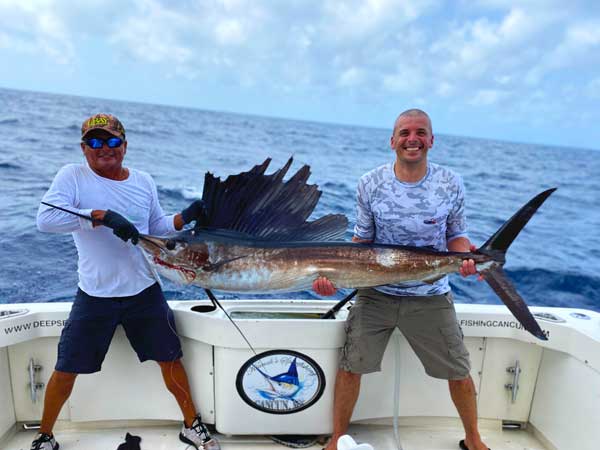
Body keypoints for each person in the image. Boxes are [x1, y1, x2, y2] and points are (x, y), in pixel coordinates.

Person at [33, 114, 217, 450]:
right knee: (66, 367)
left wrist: (186, 216)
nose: (105, 148)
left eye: (113, 141)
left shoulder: (143, 181)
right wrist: (100, 218)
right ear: (84, 148)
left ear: (125, 146)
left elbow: (157, 227)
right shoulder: (73, 176)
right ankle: (45, 435)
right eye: (96, 142)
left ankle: (192, 426)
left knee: (171, 359)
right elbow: (45, 219)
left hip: (143, 291)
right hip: (94, 294)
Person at [314, 109, 490, 450]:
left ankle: (473, 439)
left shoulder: (451, 182)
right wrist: (332, 274)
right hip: (376, 293)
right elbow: (362, 242)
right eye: (406, 132)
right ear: (393, 141)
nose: (413, 139)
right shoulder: (370, 183)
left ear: (432, 140)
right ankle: (337, 439)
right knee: (351, 366)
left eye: (421, 132)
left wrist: (466, 256)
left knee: (458, 370)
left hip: (431, 293)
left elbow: (457, 236)